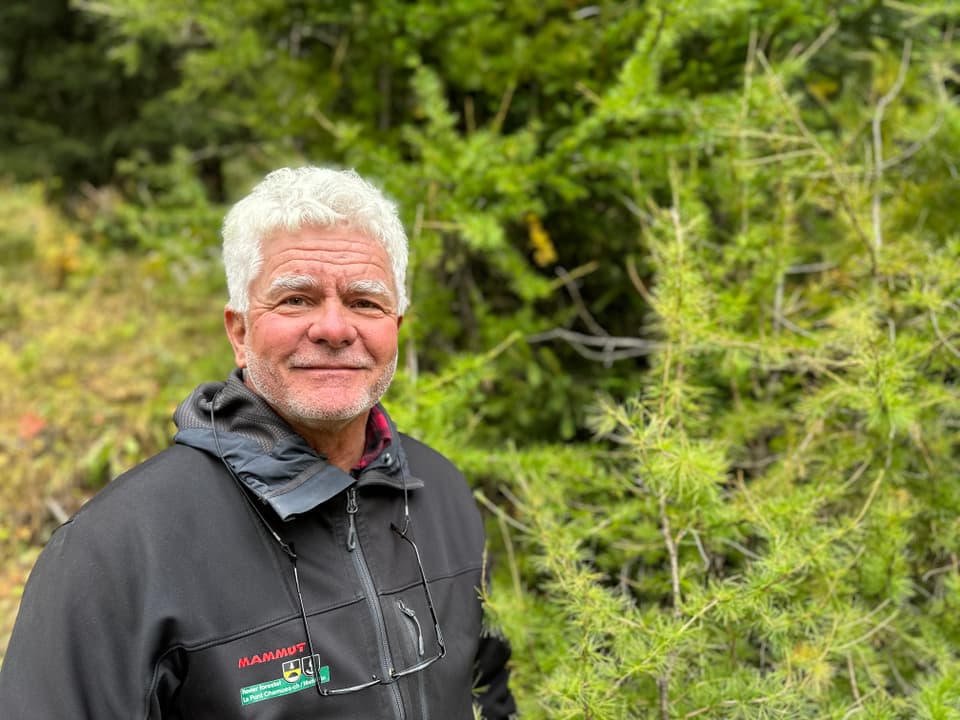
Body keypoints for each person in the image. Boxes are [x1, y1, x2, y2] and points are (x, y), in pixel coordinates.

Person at [0, 166, 516, 719]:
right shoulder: (117, 551)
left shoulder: (440, 493)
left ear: (396, 326)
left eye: (366, 302)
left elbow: (491, 701)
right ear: (240, 332)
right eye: (296, 299)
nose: (335, 328)